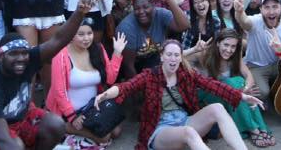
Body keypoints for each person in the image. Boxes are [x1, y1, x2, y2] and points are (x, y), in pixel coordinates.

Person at [0, 0, 94, 150]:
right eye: (13, 54)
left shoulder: (29, 60)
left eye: (24, 53)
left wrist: (79, 13)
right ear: (0, 56)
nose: (21, 58)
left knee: (56, 124)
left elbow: (59, 39)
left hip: (22, 116)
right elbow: (2, 140)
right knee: (15, 146)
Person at [94, 39, 265, 150]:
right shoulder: (149, 75)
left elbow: (212, 85)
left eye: (177, 55)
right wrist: (105, 95)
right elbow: (126, 86)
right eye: (169, 54)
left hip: (184, 119)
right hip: (161, 128)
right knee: (189, 132)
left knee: (218, 108)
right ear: (162, 57)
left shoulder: (186, 74)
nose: (173, 59)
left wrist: (241, 96)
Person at [46, 22, 126, 146]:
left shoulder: (98, 49)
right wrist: (72, 117)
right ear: (71, 35)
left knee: (116, 132)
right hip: (70, 112)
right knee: (104, 138)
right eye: (81, 34)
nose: (86, 38)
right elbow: (59, 91)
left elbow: (110, 79)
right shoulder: (61, 55)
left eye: (89, 33)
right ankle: (66, 127)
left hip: (92, 106)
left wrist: (117, 52)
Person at [200, 28, 274, 147]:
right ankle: (254, 129)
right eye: (226, 45)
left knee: (239, 83)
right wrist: (193, 49)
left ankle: (261, 128)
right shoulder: (205, 54)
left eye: (233, 46)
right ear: (218, 43)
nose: (229, 50)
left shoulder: (235, 58)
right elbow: (181, 58)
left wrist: (246, 90)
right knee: (233, 82)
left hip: (229, 95)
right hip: (209, 97)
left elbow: (248, 75)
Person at [234, 0, 281, 103]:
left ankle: (276, 92)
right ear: (261, 9)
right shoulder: (255, 21)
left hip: (280, 64)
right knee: (262, 93)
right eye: (267, 7)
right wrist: (239, 11)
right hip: (257, 66)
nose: (271, 12)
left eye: (275, 6)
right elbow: (244, 21)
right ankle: (248, 81)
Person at [117, 0, 191, 78]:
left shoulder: (161, 14)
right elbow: (128, 66)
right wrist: (138, 89)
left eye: (145, 7)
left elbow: (184, 25)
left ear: (153, 4)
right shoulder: (126, 28)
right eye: (137, 9)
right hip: (138, 67)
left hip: (158, 60)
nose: (141, 12)